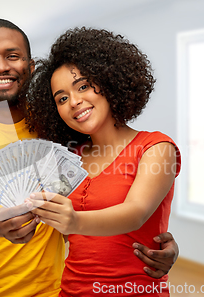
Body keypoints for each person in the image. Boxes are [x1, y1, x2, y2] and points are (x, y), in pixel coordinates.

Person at [0, 19, 178, 297]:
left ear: (30, 69)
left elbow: (111, 205)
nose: (1, 66)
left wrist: (158, 241)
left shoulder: (53, 133)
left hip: (53, 290)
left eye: (13, 56)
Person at [24, 27, 181, 296]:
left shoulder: (156, 147)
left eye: (83, 86)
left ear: (108, 81)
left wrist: (74, 221)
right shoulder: (69, 158)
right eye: (61, 98)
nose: (74, 102)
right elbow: (67, 236)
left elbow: (136, 213)